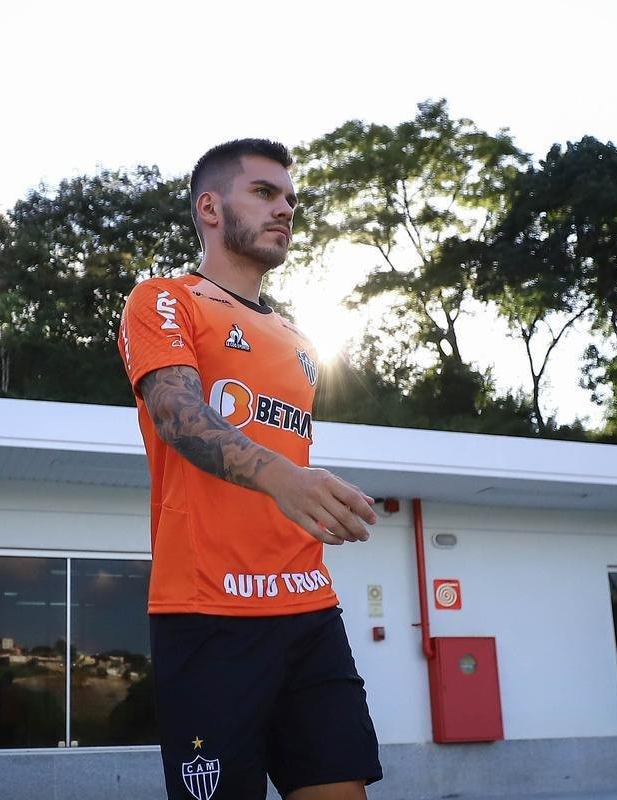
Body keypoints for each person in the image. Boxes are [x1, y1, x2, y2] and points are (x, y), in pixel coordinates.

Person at [117, 138, 382, 800]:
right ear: (210, 208)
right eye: (264, 192)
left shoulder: (301, 342)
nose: (285, 208)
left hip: (308, 605)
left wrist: (311, 493)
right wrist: (284, 478)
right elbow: (177, 414)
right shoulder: (164, 299)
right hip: (207, 609)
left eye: (290, 198)